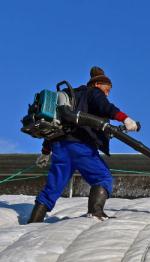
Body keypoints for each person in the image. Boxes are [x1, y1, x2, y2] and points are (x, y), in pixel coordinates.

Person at [28, 66, 139, 223]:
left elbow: (56, 125)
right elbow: (106, 107)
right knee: (103, 177)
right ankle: (95, 213)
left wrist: (46, 152)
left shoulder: (69, 97)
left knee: (53, 187)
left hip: (60, 147)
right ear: (97, 84)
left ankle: (33, 221)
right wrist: (125, 119)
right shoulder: (93, 93)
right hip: (81, 146)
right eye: (107, 90)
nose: (107, 94)